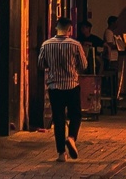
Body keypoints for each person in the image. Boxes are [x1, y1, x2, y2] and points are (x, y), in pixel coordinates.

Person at [38, 17, 89, 161]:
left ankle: (61, 153)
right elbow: (84, 65)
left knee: (58, 118)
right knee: (75, 115)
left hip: (54, 87)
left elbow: (41, 64)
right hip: (72, 85)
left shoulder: (46, 45)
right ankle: (72, 137)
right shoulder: (75, 45)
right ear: (69, 29)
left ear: (56, 28)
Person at [104, 16, 126, 111]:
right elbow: (109, 44)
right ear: (112, 23)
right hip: (111, 58)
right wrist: (119, 44)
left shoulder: (112, 33)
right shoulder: (108, 32)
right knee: (113, 78)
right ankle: (112, 99)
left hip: (114, 57)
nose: (117, 24)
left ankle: (115, 99)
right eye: (116, 22)